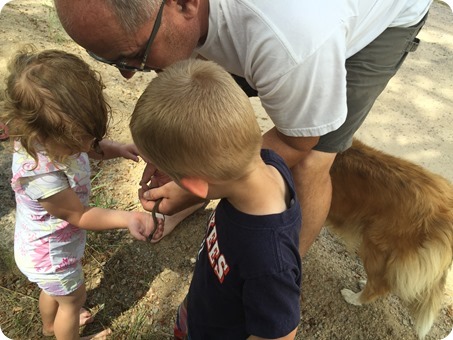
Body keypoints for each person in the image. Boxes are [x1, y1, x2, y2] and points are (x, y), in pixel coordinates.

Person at [53, 0, 432, 257]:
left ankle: (284, 268)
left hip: (381, 16)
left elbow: (298, 141)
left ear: (185, 2)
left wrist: (193, 186)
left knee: (310, 162)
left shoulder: (289, 44)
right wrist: (181, 158)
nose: (128, 73)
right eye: (109, 58)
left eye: (135, 54)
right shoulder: (179, 20)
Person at [130, 58, 302, 339]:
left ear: (194, 185)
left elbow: (279, 334)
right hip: (205, 305)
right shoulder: (266, 165)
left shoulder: (269, 261)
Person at [1, 47, 158, 340]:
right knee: (73, 300)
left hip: (40, 250)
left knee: (54, 293)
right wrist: (127, 218)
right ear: (43, 133)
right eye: (80, 141)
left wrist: (115, 149)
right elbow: (81, 215)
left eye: (91, 137)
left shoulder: (49, 138)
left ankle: (51, 326)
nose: (88, 146)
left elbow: (91, 148)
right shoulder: (42, 176)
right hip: (50, 256)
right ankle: (66, 329)